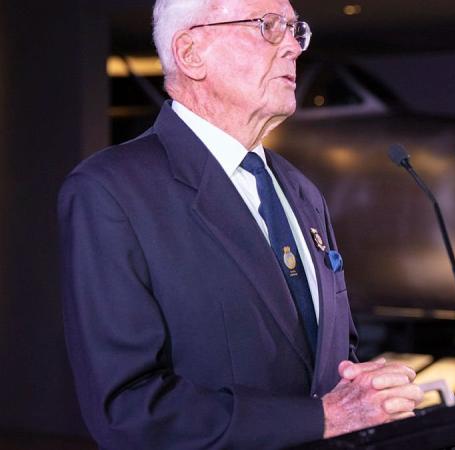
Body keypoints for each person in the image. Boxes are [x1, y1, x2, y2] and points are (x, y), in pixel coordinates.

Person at [57, 0, 423, 448]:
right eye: (269, 26)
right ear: (192, 54)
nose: (292, 46)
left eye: (295, 29)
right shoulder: (111, 190)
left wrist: (366, 392)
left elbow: (329, 358)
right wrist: (322, 418)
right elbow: (131, 410)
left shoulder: (301, 191)